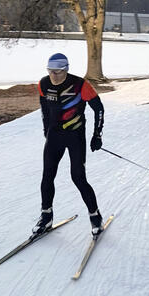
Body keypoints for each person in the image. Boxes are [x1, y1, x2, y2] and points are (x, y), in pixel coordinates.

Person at [34, 53, 105, 236]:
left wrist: (97, 135)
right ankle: (46, 216)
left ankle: (95, 215)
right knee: (47, 176)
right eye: (50, 71)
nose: (53, 76)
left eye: (57, 72)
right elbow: (44, 109)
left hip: (75, 136)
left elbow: (99, 109)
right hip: (54, 136)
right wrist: (46, 130)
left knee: (78, 177)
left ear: (66, 69)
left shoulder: (80, 85)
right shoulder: (43, 84)